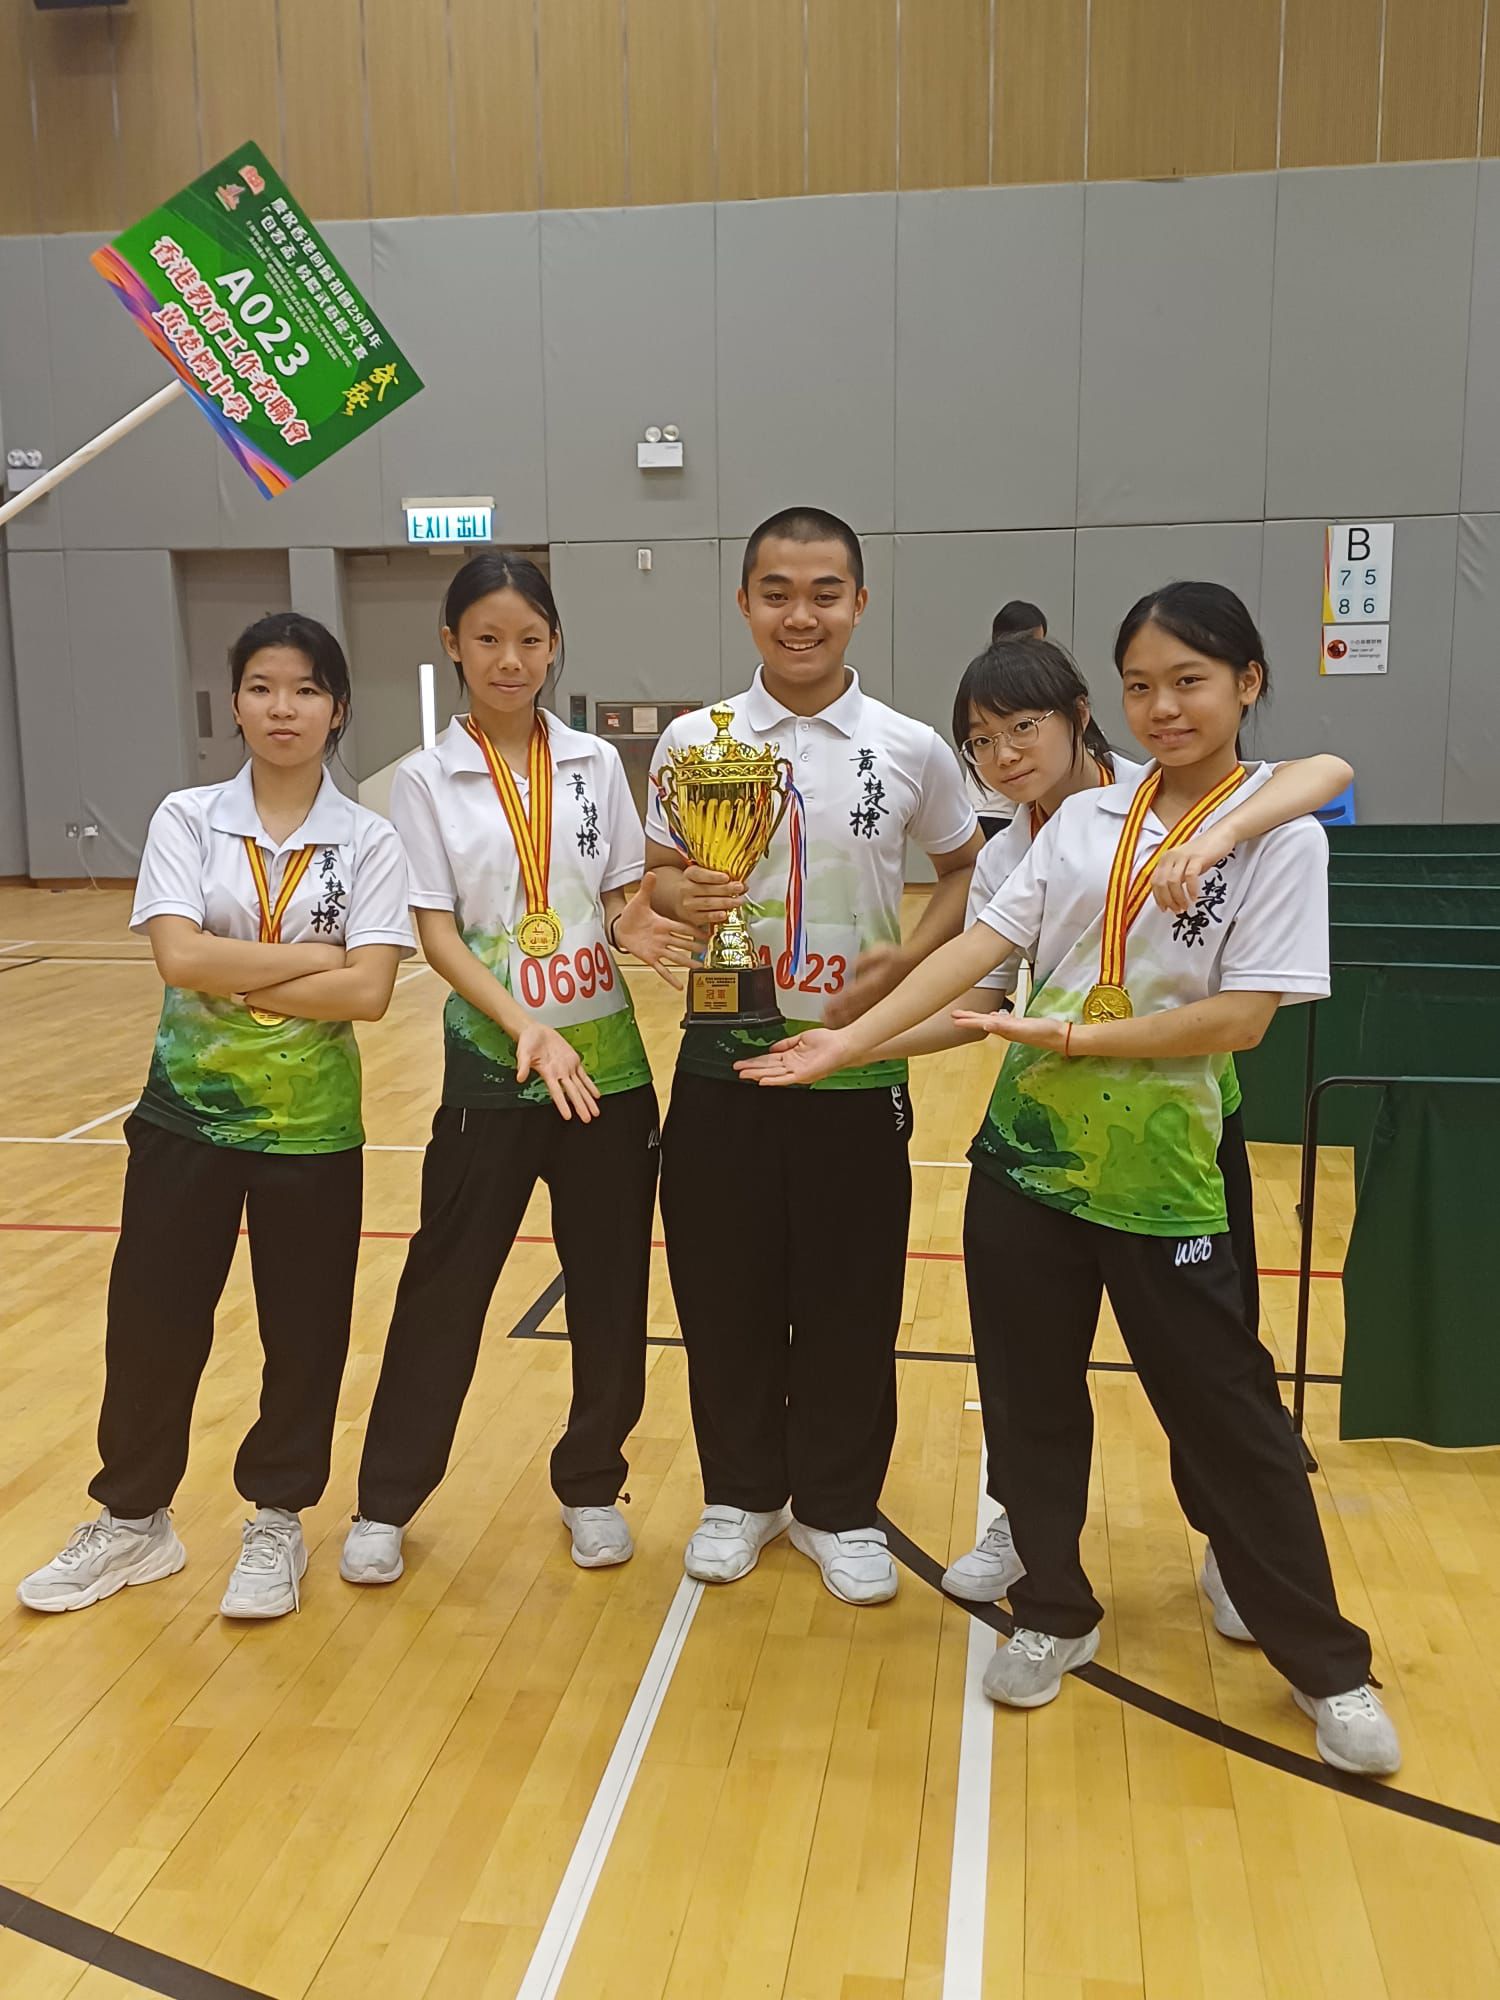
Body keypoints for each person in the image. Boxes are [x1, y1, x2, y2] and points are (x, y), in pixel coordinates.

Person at [737, 583, 1399, 1777]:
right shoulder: (1083, 824)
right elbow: (979, 955)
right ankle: (1052, 1604)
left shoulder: (1281, 835)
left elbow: (1242, 1019)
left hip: (1166, 1173)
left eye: (1189, 680)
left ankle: (1327, 1659)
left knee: (1229, 1413)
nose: (1165, 706)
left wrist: (1080, 1036)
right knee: (1030, 1398)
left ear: (1247, 681)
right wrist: (848, 1042)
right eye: (1145, 684)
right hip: (1027, 1165)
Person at [935, 636, 1353, 1640]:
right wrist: (856, 1036)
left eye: (1022, 728)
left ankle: (1229, 1542)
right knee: (1030, 1364)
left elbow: (1324, 772)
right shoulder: (1017, 848)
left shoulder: (1166, 789)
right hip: (1053, 1124)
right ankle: (1025, 1528)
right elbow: (979, 991)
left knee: (1212, 1370)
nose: (1003, 755)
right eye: (980, 741)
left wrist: (1218, 835)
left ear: (1081, 716)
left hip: (1182, 1124)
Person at [17, 614, 413, 1621]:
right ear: (234, 702)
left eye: (307, 689)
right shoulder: (188, 817)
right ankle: (133, 1519)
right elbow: (178, 957)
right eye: (263, 687)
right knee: (152, 1322)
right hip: (184, 1117)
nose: (284, 708)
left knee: (304, 1332)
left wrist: (242, 969)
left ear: (338, 709)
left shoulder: (369, 838)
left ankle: (277, 1517)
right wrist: (311, 961)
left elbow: (370, 992)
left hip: (312, 1127)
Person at [644, 506, 986, 1605]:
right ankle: (740, 1493)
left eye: (825, 592)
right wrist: (682, 896)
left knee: (850, 1295)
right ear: (745, 602)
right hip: (721, 1059)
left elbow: (967, 869)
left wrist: (907, 959)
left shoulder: (911, 746)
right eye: (778, 592)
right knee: (722, 1287)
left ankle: (839, 1505)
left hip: (852, 1067)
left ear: (859, 603)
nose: (802, 614)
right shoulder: (695, 742)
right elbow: (654, 877)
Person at [343, 553, 693, 1585]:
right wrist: (523, 1026)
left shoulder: (594, 764)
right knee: (444, 1285)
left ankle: (591, 1483)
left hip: (606, 1071)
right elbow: (437, 933)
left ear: (554, 646)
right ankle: (385, 1500)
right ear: (451, 644)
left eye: (530, 640)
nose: (510, 659)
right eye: (488, 638)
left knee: (611, 1287)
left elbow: (620, 897)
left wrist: (641, 926)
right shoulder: (423, 778)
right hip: (492, 1073)